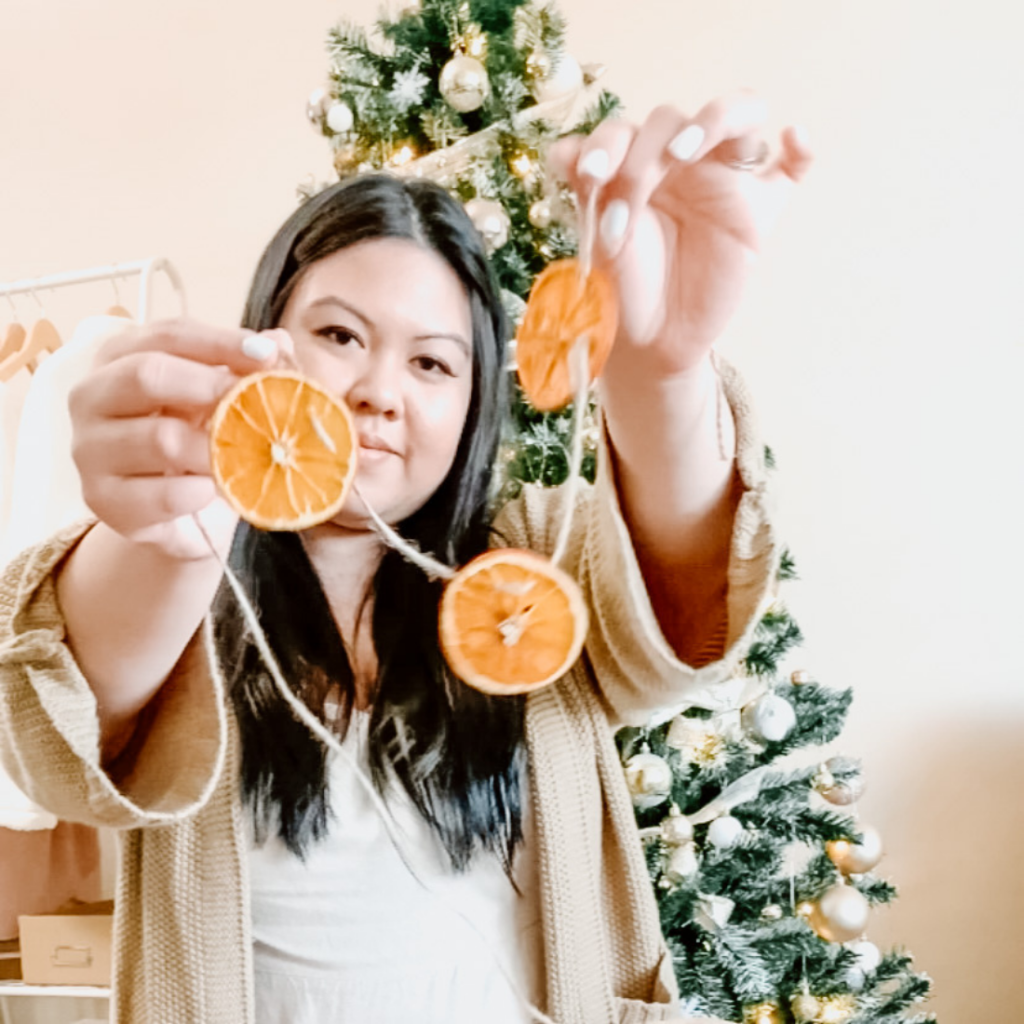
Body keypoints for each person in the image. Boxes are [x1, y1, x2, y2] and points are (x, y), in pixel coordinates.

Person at [0, 93, 812, 1024]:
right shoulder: (191, 595)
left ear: (473, 408)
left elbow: (676, 606)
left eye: (433, 364)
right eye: (341, 336)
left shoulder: (529, 560)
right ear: (266, 340)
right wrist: (167, 534)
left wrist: (663, 373)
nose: (381, 391)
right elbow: (62, 734)